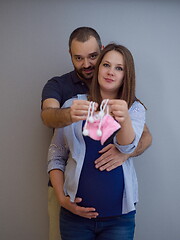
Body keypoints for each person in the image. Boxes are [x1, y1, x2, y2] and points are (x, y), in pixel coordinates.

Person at [41, 27, 152, 240]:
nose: (110, 71)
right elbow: (54, 146)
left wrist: (125, 129)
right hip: (74, 217)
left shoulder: (134, 108)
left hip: (119, 219)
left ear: (126, 75)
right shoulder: (71, 101)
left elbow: (133, 143)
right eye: (107, 65)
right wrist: (63, 200)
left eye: (119, 68)